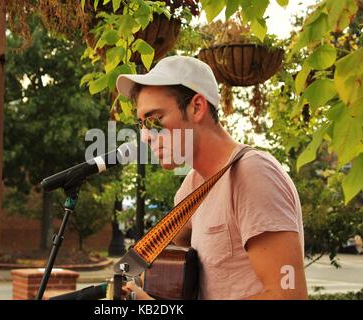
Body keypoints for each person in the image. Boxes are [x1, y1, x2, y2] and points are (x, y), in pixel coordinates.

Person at [115, 55, 308, 300]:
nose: (145, 137)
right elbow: (165, 260)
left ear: (196, 107)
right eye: (141, 124)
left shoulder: (253, 174)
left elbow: (288, 296)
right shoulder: (191, 188)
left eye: (154, 120)